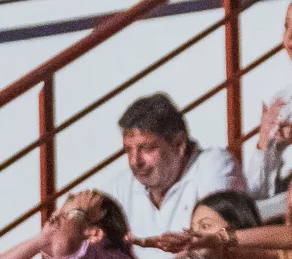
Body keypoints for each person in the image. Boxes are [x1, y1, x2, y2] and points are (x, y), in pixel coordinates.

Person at [100, 93, 235, 243]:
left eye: (147, 148)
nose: (134, 162)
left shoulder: (213, 164)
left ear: (179, 144)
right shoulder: (125, 183)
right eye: (128, 150)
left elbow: (215, 239)